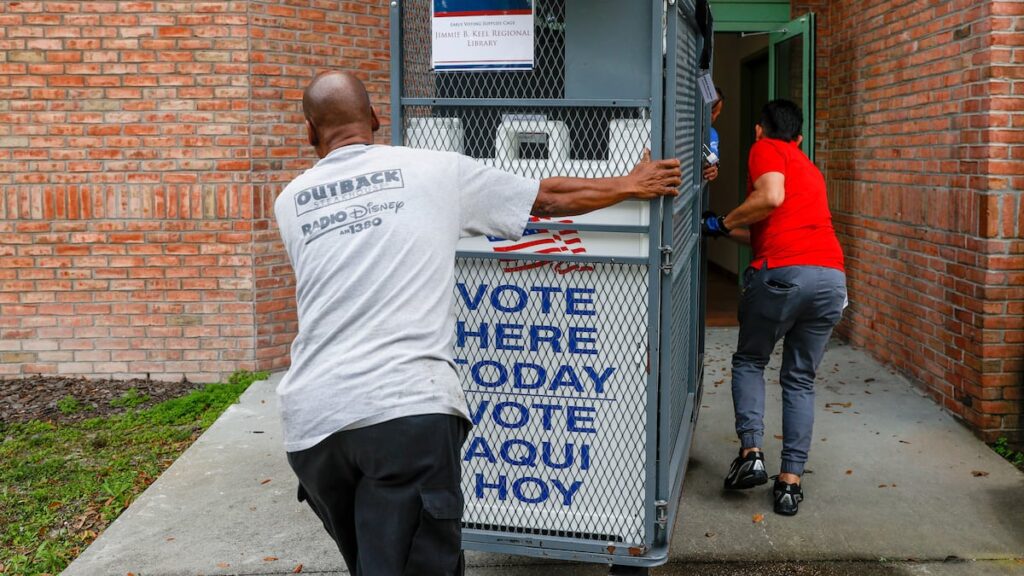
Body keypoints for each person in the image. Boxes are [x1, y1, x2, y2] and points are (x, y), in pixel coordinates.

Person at [273, 71, 682, 576]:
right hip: (405, 410)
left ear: (310, 133)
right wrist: (629, 184)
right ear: (377, 119)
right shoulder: (433, 171)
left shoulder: (290, 200)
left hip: (313, 429)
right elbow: (548, 197)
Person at [701, 99, 846, 516]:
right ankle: (789, 484)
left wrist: (723, 221)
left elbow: (769, 196)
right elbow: (773, 228)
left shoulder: (768, 148)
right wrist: (726, 232)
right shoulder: (809, 167)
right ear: (800, 137)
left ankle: (751, 455)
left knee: (750, 360)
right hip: (830, 278)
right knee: (800, 378)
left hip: (784, 276)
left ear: (759, 130)